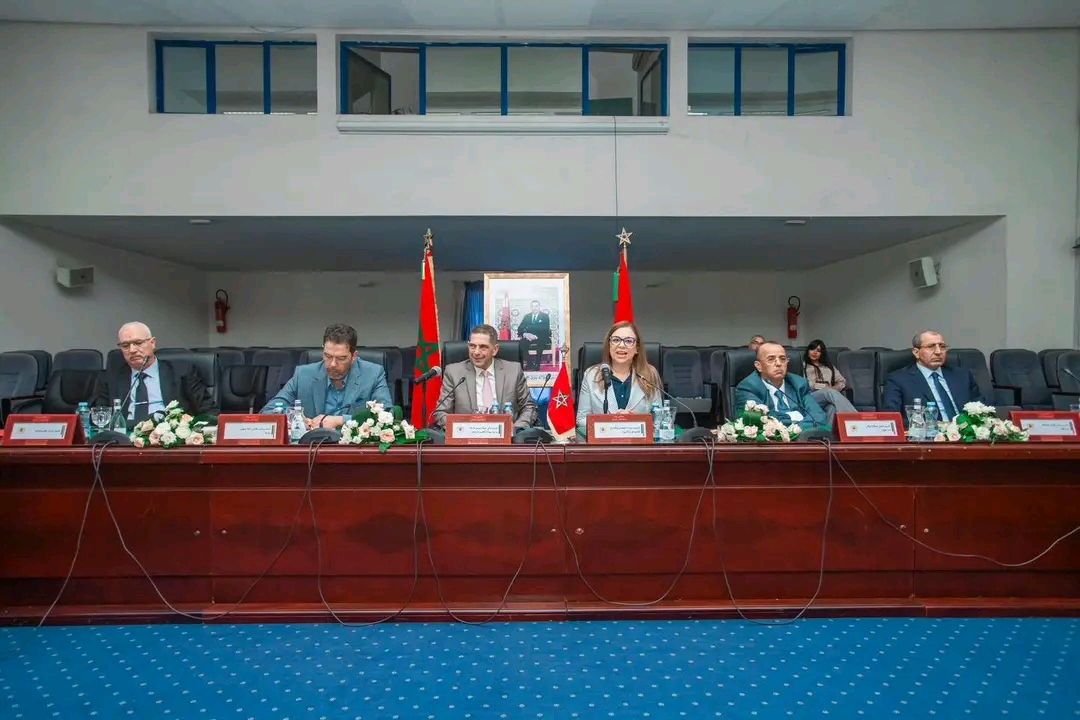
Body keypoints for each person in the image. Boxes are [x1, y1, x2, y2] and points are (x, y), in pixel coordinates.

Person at [261, 323, 393, 430]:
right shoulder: (304, 375)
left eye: (341, 358)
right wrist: (295, 418)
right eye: (328, 356)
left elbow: (388, 415)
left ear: (354, 356)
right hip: (311, 448)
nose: (333, 364)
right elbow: (268, 411)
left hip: (354, 449)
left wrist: (342, 420)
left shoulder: (373, 374)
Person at [97, 321, 217, 425]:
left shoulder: (182, 372)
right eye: (125, 345)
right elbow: (99, 417)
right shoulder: (110, 378)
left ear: (152, 343)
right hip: (125, 438)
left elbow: (210, 412)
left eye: (138, 343)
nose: (132, 350)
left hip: (168, 438)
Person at [430, 324, 538, 432]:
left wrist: (516, 429)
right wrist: (461, 430)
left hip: (508, 438)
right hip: (467, 438)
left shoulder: (513, 371)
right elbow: (441, 412)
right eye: (472, 346)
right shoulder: (454, 372)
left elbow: (529, 407)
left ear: (494, 350)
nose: (476, 352)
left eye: (483, 347)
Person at [575, 321, 663, 436]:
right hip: (604, 444)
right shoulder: (591, 375)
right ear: (609, 345)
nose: (621, 345)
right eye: (616, 340)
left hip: (639, 443)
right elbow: (581, 419)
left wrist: (633, 421)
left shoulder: (649, 374)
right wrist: (613, 422)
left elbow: (659, 420)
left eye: (628, 341)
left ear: (637, 348)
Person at [881, 330, 985, 424]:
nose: (938, 352)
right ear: (916, 353)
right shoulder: (898, 380)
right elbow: (892, 418)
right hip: (926, 436)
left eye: (942, 346)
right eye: (931, 347)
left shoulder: (962, 375)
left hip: (967, 434)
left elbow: (981, 408)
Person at [735, 341, 828, 431]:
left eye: (782, 359)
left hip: (803, 439)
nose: (779, 364)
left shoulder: (799, 384)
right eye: (771, 359)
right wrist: (794, 416)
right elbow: (760, 420)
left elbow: (818, 416)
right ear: (759, 366)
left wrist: (796, 429)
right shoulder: (748, 387)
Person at [802, 339, 857, 426]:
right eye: (812, 349)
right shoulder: (803, 366)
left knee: (832, 408)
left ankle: (828, 432)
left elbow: (842, 381)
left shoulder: (829, 367)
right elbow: (806, 384)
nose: (815, 352)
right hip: (811, 397)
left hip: (828, 396)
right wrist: (825, 388)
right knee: (829, 392)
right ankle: (856, 420)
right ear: (808, 351)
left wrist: (834, 388)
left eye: (818, 351)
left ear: (822, 353)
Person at [517, 300, 552, 371]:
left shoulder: (545, 316)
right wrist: (525, 334)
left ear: (539, 307)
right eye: (533, 306)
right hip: (529, 337)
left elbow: (545, 329)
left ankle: (537, 364)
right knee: (522, 343)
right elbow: (520, 328)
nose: (534, 308)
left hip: (542, 337)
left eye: (536, 306)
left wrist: (535, 336)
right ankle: (529, 363)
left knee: (540, 342)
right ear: (531, 307)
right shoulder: (527, 316)